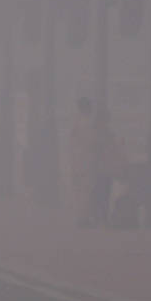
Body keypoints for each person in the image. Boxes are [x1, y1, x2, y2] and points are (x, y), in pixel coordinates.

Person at [64, 95, 108, 228]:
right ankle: (83, 218)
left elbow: (71, 143)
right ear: (88, 108)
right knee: (86, 190)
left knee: (77, 190)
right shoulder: (88, 123)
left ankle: (80, 217)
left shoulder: (74, 123)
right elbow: (93, 142)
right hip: (87, 161)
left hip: (75, 161)